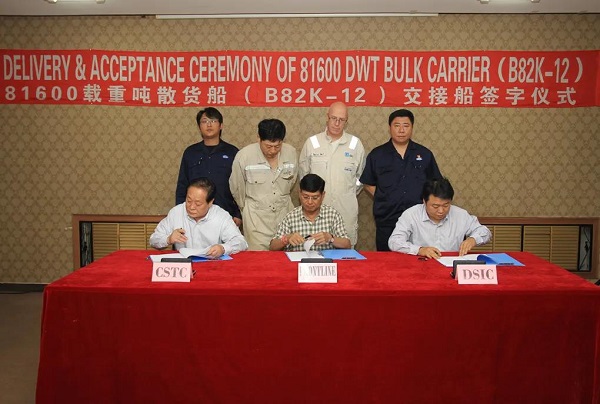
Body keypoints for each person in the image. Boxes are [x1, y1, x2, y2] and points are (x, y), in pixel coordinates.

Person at [360, 109, 442, 251]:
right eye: (397, 125)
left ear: (412, 128)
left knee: (419, 258)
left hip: (419, 221)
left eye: (406, 125)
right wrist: (384, 197)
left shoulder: (424, 154)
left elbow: (435, 184)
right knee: (388, 261)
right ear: (390, 127)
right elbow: (368, 183)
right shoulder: (377, 154)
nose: (401, 130)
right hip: (387, 219)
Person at [298, 101, 365, 246]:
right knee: (314, 250)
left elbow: (361, 178)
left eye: (341, 120)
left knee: (346, 250)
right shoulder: (312, 143)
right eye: (334, 118)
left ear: (346, 121)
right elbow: (303, 177)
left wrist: (346, 192)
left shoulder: (355, 144)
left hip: (345, 209)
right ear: (327, 117)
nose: (337, 123)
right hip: (317, 211)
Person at [229, 118, 298, 250]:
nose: (273, 151)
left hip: (285, 216)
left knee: (285, 257)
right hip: (256, 220)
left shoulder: (291, 153)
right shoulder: (244, 156)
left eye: (277, 146)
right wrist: (247, 209)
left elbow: (292, 181)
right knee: (259, 259)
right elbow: (237, 188)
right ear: (258, 138)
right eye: (268, 146)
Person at [388, 178, 491, 258]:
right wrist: (419, 250)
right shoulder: (411, 214)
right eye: (435, 206)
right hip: (420, 265)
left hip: (451, 266)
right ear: (424, 201)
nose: (441, 211)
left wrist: (473, 239)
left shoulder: (461, 215)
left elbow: (485, 232)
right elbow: (394, 242)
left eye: (446, 205)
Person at [175, 107, 241, 226]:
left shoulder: (232, 152)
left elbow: (239, 187)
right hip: (194, 215)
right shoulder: (191, 152)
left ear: (221, 125)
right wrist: (179, 214)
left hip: (226, 213)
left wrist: (238, 214)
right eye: (204, 121)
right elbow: (182, 185)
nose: (209, 125)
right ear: (199, 126)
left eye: (213, 121)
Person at [150, 178, 248, 258]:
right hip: (184, 266)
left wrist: (223, 248)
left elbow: (241, 242)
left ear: (210, 202)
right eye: (189, 201)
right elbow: (154, 239)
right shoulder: (176, 212)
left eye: (198, 203)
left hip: (212, 266)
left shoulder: (221, 216)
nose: (191, 207)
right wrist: (168, 239)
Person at [270, 174, 351, 251]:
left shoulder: (332, 215)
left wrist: (331, 238)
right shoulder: (291, 217)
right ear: (299, 194)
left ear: (323, 195)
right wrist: (287, 239)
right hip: (298, 260)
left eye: (315, 198)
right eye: (305, 197)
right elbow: (272, 247)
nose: (309, 202)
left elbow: (347, 245)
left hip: (325, 260)